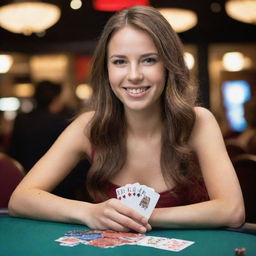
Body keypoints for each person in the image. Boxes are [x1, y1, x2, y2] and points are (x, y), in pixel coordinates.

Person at [8, 5, 245, 233]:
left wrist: (141, 216)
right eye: (120, 61)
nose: (134, 75)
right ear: (106, 69)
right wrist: (90, 213)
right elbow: (21, 199)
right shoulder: (88, 127)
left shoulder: (199, 122)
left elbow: (232, 210)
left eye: (149, 60)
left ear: (169, 66)